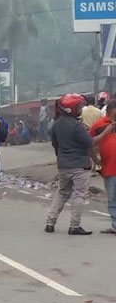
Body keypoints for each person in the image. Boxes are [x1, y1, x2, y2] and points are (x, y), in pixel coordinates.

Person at [45, 93, 114, 235]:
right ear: (71, 109)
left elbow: (55, 144)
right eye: (78, 106)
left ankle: (50, 222)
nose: (80, 109)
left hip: (64, 165)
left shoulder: (56, 125)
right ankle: (74, 226)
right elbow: (91, 142)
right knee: (79, 195)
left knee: (62, 193)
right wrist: (106, 132)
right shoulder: (76, 126)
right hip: (79, 166)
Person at [89, 98, 116, 235]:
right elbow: (89, 143)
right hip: (110, 168)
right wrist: (96, 160)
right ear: (111, 110)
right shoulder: (99, 125)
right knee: (112, 199)